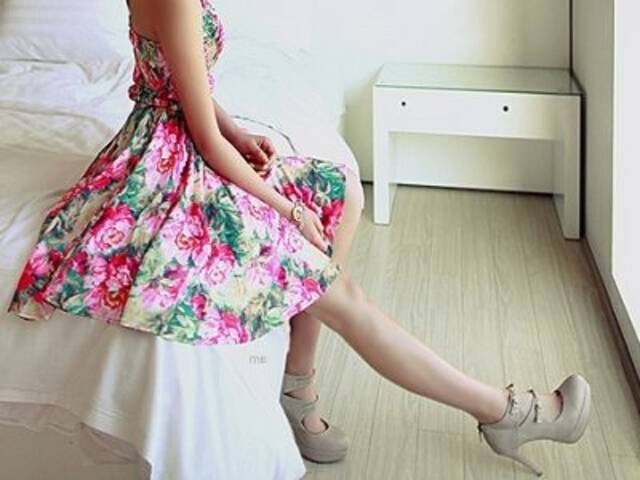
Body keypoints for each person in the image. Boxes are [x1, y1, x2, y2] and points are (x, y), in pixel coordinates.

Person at [6, 0, 592, 476]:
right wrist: (285, 208)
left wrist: (238, 133)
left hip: (177, 145)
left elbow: (183, 89)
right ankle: (506, 412)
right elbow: (200, 137)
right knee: (340, 287)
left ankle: (297, 384)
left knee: (338, 194)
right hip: (173, 168)